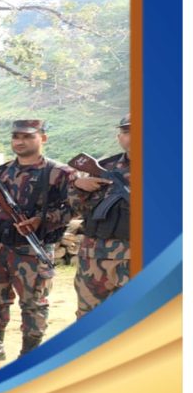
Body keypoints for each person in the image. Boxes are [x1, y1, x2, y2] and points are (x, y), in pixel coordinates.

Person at [0, 120, 75, 366]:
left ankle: (29, 356)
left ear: (43, 138)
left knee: (33, 303)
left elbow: (75, 208)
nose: (20, 141)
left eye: (27, 136)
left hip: (31, 250)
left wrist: (41, 220)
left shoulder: (60, 173)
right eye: (16, 136)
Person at [69, 114, 131, 318]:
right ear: (119, 137)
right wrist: (78, 186)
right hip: (95, 256)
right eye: (126, 131)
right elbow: (77, 207)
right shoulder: (104, 167)